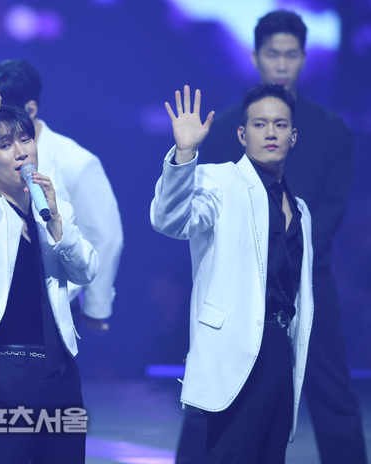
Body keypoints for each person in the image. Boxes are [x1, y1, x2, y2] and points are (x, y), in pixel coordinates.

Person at [175, 10, 366, 464]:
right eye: (273, 54)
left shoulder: (332, 130)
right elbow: (198, 209)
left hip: (309, 278)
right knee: (214, 392)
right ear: (256, 57)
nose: (282, 64)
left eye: (291, 55)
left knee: (332, 392)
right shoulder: (224, 128)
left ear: (304, 58)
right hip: (238, 284)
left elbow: (332, 207)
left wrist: (291, 247)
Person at [0, 77, 99, 463]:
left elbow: (87, 270)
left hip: (62, 371)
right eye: (6, 145)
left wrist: (56, 221)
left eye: (26, 140)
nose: (21, 151)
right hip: (9, 371)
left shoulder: (54, 207)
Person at [151, 83, 314, 463]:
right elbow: (170, 219)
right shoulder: (219, 181)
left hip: (279, 351)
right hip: (233, 351)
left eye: (280, 124)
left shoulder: (300, 208)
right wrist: (185, 153)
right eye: (259, 124)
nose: (270, 132)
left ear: (293, 135)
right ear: (242, 134)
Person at [0, 59, 122, 330]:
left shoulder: (77, 162)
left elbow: (104, 237)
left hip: (57, 303)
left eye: (0, 109)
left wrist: (96, 309)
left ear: (30, 109)